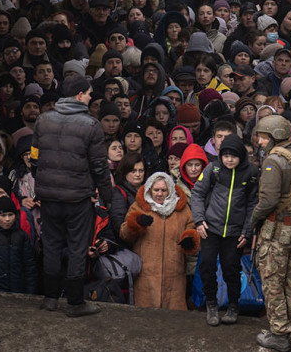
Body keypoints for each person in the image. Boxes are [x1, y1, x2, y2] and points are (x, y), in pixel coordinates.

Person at [32, 76, 113, 316]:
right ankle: (75, 302)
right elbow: (99, 167)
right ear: (79, 95)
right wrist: (106, 197)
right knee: (78, 248)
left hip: (48, 196)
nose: (90, 98)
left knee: (52, 245)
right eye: (88, 94)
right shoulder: (90, 125)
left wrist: (43, 181)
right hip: (77, 197)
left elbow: (34, 158)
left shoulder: (42, 120)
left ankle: (50, 299)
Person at [251, 114, 291, 352]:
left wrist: (253, 219)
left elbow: (268, 201)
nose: (259, 142)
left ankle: (279, 333)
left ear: (275, 136)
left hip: (276, 230)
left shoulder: (273, 161)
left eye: (263, 137)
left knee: (273, 283)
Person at [191, 135, 260, 326]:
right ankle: (211, 304)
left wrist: (247, 232)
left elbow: (253, 204)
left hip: (234, 232)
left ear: (241, 156)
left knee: (232, 269)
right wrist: (198, 220)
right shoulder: (213, 169)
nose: (229, 159)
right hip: (210, 228)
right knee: (207, 265)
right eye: (226, 155)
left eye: (234, 156)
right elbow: (197, 193)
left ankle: (233, 306)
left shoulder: (251, 173)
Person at [119, 172, 200, 310]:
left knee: (174, 321)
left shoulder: (182, 209)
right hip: (146, 274)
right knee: (145, 318)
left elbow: (191, 228)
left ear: (170, 191)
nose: (160, 194)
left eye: (164, 190)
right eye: (156, 190)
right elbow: (124, 234)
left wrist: (190, 240)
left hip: (175, 274)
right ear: (150, 189)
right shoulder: (138, 207)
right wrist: (136, 223)